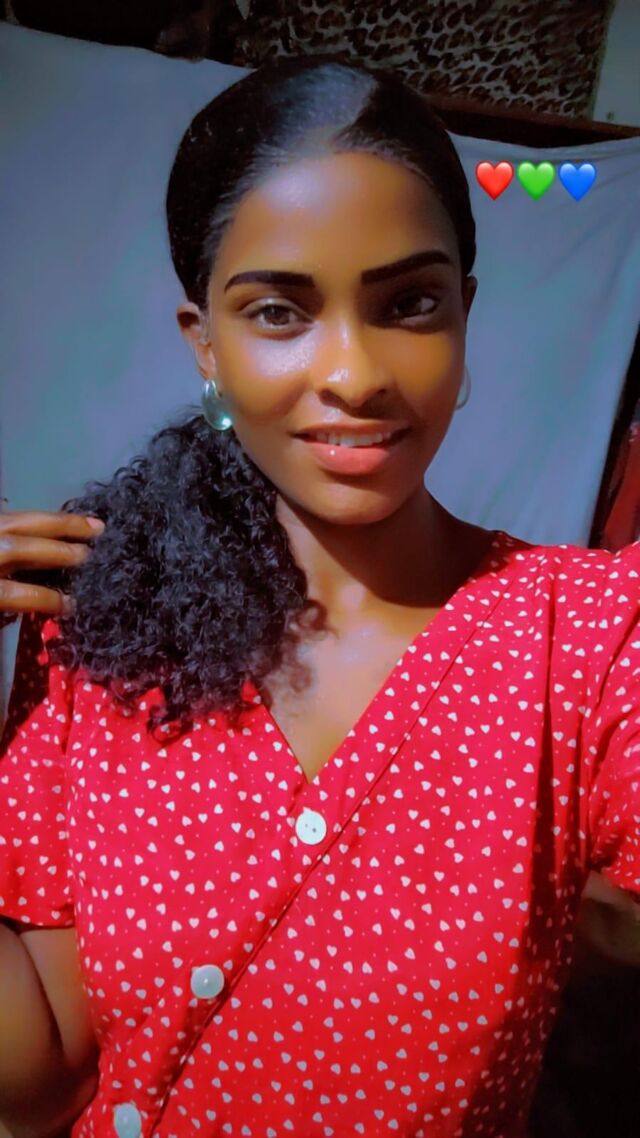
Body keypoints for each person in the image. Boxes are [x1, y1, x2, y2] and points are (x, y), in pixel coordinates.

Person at [0, 53, 638, 1138]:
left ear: (464, 314)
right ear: (206, 345)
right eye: (279, 312)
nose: (354, 373)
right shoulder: (103, 626)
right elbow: (39, 1077)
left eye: (409, 304)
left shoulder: (586, 640)